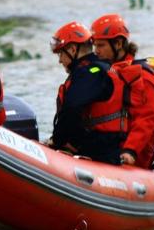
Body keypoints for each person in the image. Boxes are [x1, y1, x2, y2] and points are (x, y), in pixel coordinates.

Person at [90, 13, 154, 169]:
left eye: (101, 46)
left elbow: (146, 118)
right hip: (106, 147)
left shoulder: (143, 77)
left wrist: (130, 150)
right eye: (95, 46)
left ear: (118, 44)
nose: (96, 51)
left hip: (131, 154)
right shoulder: (104, 72)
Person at [49, 21, 128, 165]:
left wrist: (56, 141)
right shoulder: (98, 68)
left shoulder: (90, 72)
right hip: (106, 146)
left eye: (61, 53)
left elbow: (71, 108)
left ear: (73, 49)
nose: (60, 60)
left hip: (101, 151)